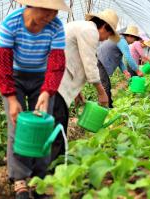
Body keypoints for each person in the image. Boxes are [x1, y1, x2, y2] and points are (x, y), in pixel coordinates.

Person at [0, 0, 69, 198]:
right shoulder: (11, 23)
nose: (50, 16)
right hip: (15, 78)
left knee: (43, 125)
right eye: (46, 10)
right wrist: (10, 98)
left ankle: (39, 178)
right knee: (17, 125)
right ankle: (19, 178)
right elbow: (3, 63)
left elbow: (57, 63)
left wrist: (47, 91)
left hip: (43, 78)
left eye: (54, 11)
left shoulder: (56, 27)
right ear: (30, 5)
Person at [51, 9, 119, 162]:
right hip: (56, 82)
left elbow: (73, 56)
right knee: (57, 127)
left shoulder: (82, 27)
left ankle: (56, 166)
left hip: (56, 80)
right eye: (108, 35)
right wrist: (102, 93)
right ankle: (54, 172)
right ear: (105, 27)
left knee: (58, 123)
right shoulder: (90, 31)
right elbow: (89, 64)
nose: (105, 39)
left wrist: (76, 91)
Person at [97, 25, 143, 108]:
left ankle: (109, 106)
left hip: (101, 59)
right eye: (134, 39)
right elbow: (128, 57)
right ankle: (106, 108)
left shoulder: (119, 39)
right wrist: (137, 71)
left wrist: (125, 71)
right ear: (129, 36)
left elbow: (118, 59)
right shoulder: (122, 41)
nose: (134, 42)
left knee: (106, 85)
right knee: (106, 86)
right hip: (101, 60)